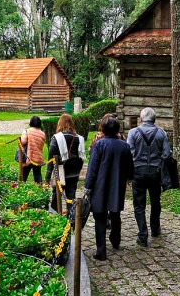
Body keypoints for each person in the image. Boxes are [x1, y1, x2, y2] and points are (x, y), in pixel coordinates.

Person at [84, 116, 134, 261]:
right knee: (115, 212)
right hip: (117, 184)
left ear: (103, 129)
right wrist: (130, 177)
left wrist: (88, 186)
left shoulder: (99, 145)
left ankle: (101, 250)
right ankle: (115, 240)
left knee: (99, 217)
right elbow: (130, 166)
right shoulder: (124, 146)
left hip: (100, 185)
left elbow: (92, 168)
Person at [127, 107, 171, 247]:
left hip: (138, 172)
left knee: (139, 204)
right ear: (154, 119)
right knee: (155, 201)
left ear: (141, 119)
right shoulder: (161, 133)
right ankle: (155, 229)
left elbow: (129, 152)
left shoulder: (133, 132)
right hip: (155, 173)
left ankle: (142, 235)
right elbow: (167, 154)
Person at [46, 114, 85, 213]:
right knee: (71, 198)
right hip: (74, 172)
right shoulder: (79, 138)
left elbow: (51, 158)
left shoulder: (56, 138)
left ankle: (54, 220)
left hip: (60, 172)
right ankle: (71, 220)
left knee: (56, 198)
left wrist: (47, 177)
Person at [20, 116, 46, 183]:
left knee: (23, 176)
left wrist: (21, 136)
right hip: (38, 157)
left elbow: (23, 142)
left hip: (29, 157)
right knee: (38, 176)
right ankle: (40, 190)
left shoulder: (27, 131)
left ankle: (21, 189)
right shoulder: (42, 134)